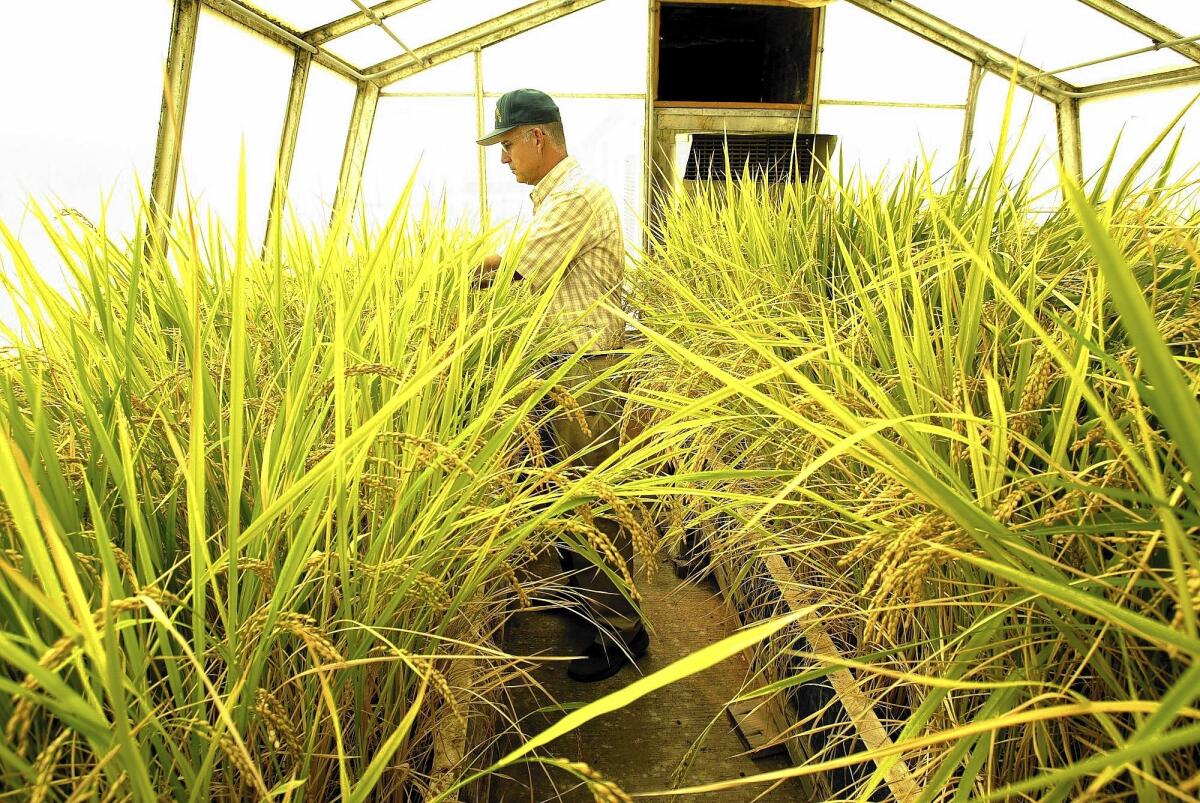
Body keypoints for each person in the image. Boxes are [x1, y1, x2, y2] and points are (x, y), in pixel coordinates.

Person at [476, 88, 648, 682]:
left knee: (592, 504)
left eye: (505, 144)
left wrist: (451, 274)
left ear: (536, 137)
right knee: (564, 498)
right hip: (564, 368)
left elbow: (516, 268)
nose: (503, 158)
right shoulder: (556, 196)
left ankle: (621, 632)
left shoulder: (575, 194)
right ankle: (585, 603)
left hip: (586, 374)